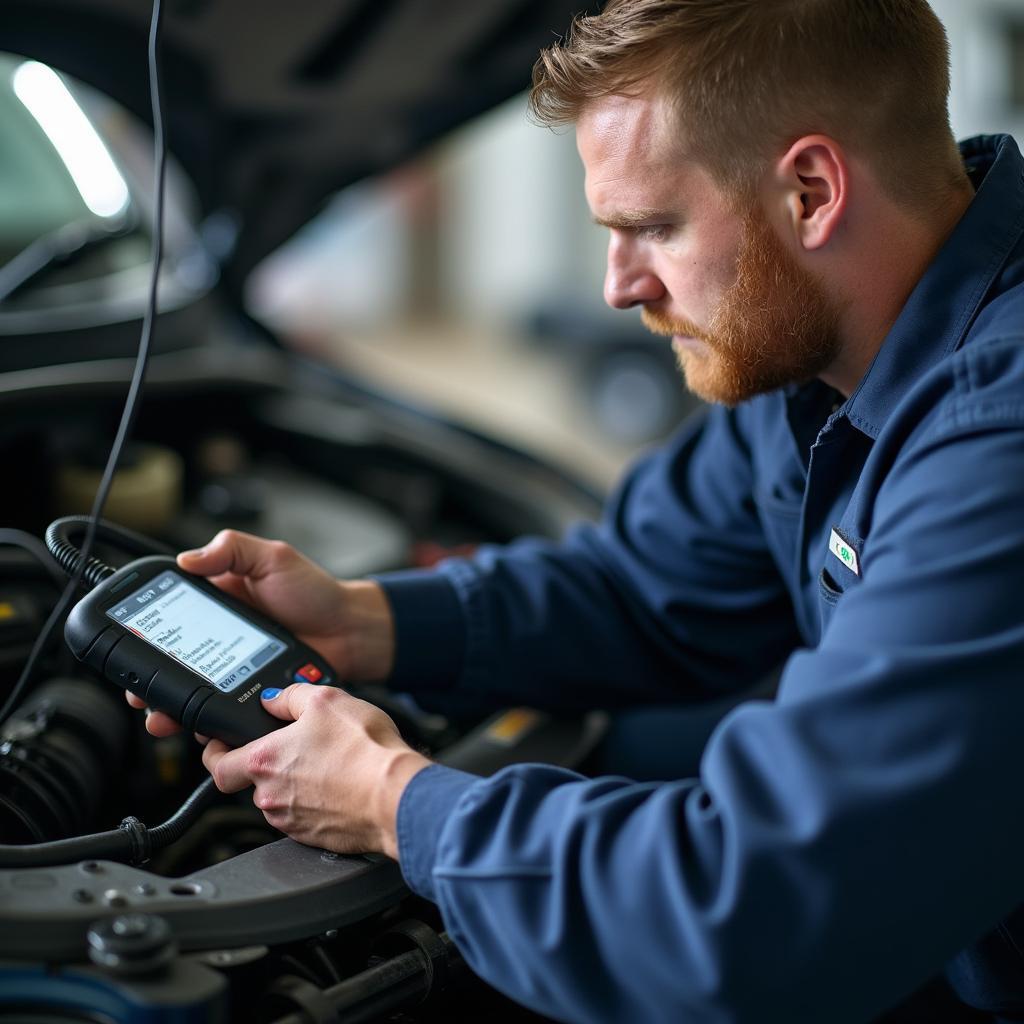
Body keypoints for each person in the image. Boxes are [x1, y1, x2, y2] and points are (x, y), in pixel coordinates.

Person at [130, 1, 1024, 1021]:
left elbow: (748, 913)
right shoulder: (824, 351)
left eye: (651, 226)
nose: (615, 285)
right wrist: (366, 619)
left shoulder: (996, 446)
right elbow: (647, 583)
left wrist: (393, 802)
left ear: (811, 191)